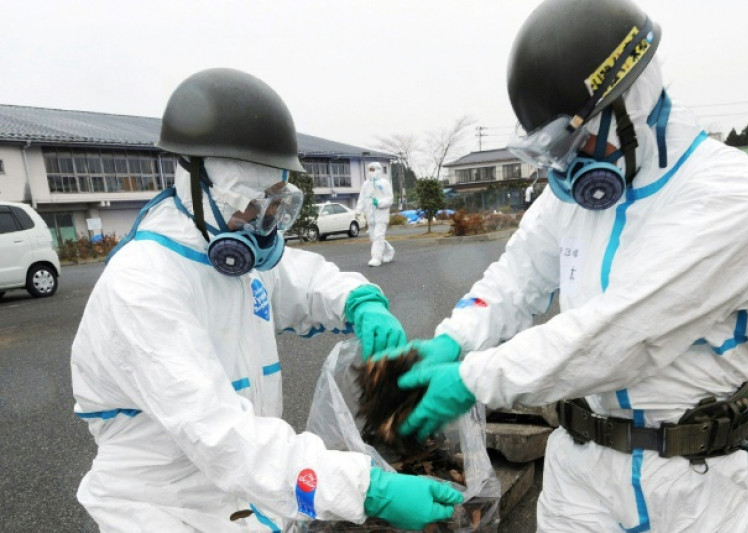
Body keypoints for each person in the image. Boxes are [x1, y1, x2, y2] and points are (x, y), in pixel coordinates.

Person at [374, 1, 748, 531]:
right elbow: (518, 275)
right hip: (581, 472)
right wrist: (456, 339)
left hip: (693, 486)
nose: (567, 167)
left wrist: (473, 379)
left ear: (629, 107)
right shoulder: (576, 195)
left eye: (572, 142)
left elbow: (620, 335)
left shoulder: (726, 196)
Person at [70, 68, 462, 532]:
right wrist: (366, 488)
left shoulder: (227, 251)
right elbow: (221, 435)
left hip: (248, 500)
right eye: (247, 203)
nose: (259, 221)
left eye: (272, 202)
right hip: (163, 512)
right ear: (194, 183)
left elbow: (298, 277)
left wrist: (358, 300)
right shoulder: (143, 286)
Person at [356, 162, 395, 266]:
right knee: (374, 238)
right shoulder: (366, 184)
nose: (371, 172)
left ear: (378, 170)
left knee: (378, 236)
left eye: (373, 169)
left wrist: (379, 203)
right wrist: (358, 210)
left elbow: (390, 199)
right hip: (371, 217)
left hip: (381, 216)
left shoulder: (384, 183)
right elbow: (362, 198)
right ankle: (389, 250)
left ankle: (376, 258)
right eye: (370, 170)